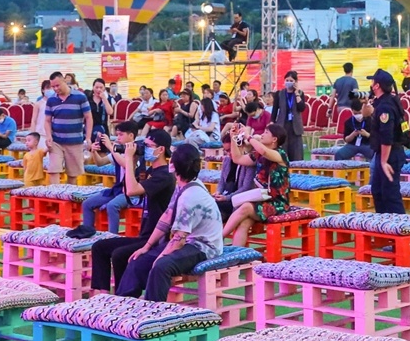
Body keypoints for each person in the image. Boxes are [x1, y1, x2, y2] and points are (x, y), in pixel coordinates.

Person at [114, 144, 221, 302]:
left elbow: (179, 239)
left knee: (161, 266)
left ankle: (154, 313)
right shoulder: (184, 185)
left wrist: (161, 256)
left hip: (204, 247)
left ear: (173, 166)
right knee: (138, 260)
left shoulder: (190, 196)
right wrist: (147, 246)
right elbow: (167, 215)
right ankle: (122, 305)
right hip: (188, 241)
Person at [90, 129, 176, 291]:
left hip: (157, 239)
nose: (146, 149)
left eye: (149, 146)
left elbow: (131, 190)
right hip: (144, 235)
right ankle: (102, 295)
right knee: (100, 247)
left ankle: (124, 296)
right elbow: (128, 188)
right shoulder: (150, 171)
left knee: (120, 255)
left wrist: (129, 158)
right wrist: (134, 159)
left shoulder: (164, 175)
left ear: (161, 150)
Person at [222, 122, 290, 249]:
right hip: (262, 199)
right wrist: (233, 138)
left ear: (274, 139)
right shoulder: (259, 155)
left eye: (266, 133)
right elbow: (238, 159)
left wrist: (248, 136)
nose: (262, 135)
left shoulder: (280, 154)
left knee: (245, 207)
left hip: (278, 203)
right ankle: (236, 256)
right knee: (244, 222)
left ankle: (219, 239)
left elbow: (263, 150)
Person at [366, 69, 406, 214]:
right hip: (384, 154)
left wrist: (383, 162)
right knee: (378, 191)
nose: (370, 85)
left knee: (390, 195)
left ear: (377, 86)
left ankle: (402, 230)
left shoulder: (385, 107)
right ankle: (384, 227)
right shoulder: (382, 102)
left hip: (390, 155)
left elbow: (387, 137)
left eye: (372, 82)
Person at [43, 74, 92, 183]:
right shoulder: (51, 100)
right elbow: (47, 120)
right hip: (56, 141)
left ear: (64, 81)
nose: (56, 89)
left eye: (57, 85)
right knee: (54, 170)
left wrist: (88, 137)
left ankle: (69, 197)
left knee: (72, 174)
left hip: (75, 141)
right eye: (53, 87)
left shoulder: (80, 97)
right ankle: (54, 196)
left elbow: (88, 118)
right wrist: (49, 136)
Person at [269, 71, 307, 165]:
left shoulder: (300, 93)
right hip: (282, 123)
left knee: (296, 150)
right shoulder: (279, 94)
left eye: (291, 80)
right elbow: (275, 109)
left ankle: (297, 170)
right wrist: (272, 121)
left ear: (295, 82)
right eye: (287, 80)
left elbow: (301, 108)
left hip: (295, 125)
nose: (289, 82)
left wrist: (297, 94)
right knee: (283, 148)